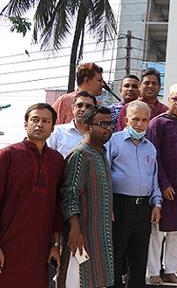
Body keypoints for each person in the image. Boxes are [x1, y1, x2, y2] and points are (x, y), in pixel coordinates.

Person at [0, 104, 65, 287]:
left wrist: (56, 245)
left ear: (52, 128)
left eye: (45, 121)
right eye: (35, 120)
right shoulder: (7, 156)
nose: (39, 125)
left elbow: (57, 206)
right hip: (8, 245)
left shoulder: (57, 160)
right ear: (25, 124)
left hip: (41, 248)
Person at [58, 105, 115, 288]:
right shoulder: (81, 154)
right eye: (102, 124)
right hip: (81, 235)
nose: (108, 128)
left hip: (99, 234)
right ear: (88, 126)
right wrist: (74, 229)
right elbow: (70, 194)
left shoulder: (101, 153)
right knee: (76, 280)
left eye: (110, 124)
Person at [106, 101, 162, 287]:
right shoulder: (113, 141)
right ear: (126, 119)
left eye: (144, 120)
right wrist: (107, 204)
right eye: (135, 119)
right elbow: (104, 175)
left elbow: (154, 178)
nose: (139, 124)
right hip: (119, 206)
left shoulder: (150, 148)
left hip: (143, 207)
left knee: (139, 258)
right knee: (116, 255)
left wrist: (157, 203)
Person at [146, 84, 177, 284]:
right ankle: (153, 272)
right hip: (163, 186)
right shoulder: (157, 123)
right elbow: (153, 156)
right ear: (168, 100)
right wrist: (163, 184)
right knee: (157, 231)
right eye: (174, 98)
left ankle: (171, 269)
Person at [47, 91, 96, 157]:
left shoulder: (97, 135)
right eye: (79, 105)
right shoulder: (57, 132)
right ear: (73, 108)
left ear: (95, 111)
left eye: (88, 106)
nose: (83, 109)